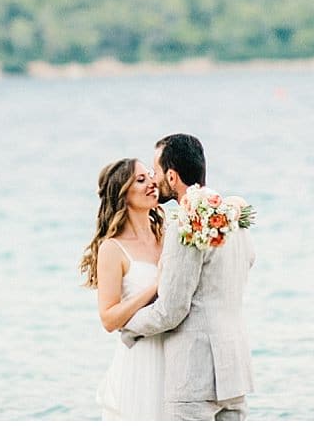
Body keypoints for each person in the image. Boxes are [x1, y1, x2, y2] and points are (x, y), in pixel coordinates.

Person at [121, 134, 255, 420]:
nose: (154, 180)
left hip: (195, 374)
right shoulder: (231, 215)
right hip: (235, 367)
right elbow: (248, 261)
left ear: (171, 175)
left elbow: (171, 310)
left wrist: (127, 327)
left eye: (156, 172)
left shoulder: (185, 222)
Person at [81, 157, 166, 420]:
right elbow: (108, 318)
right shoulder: (112, 249)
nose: (152, 182)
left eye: (150, 175)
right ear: (123, 195)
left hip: (175, 352)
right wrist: (155, 288)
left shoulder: (166, 232)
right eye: (140, 180)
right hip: (142, 358)